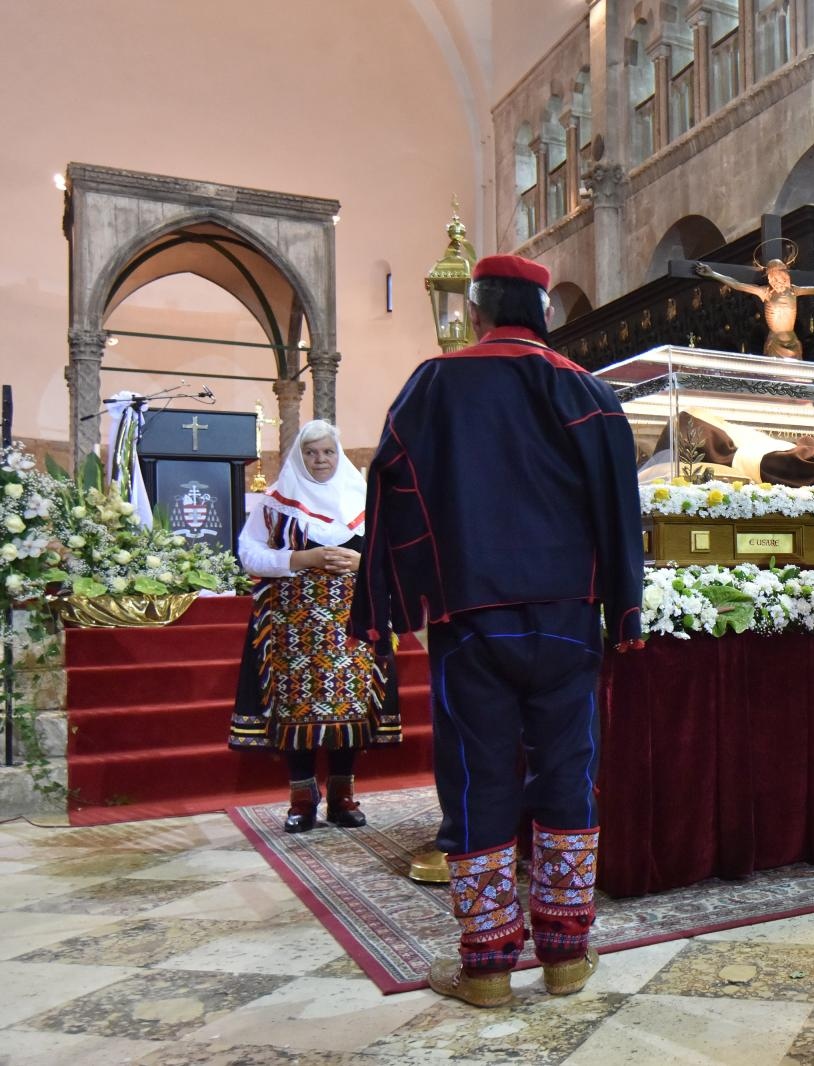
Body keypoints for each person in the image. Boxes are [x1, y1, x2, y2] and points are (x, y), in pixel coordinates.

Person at [351, 253, 644, 1008]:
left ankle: (485, 970)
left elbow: (394, 488)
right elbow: (621, 509)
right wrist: (626, 607)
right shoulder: (589, 391)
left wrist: (395, 605)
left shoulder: (435, 384)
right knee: (568, 776)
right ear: (543, 312)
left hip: (470, 617)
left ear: (476, 311)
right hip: (570, 617)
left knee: (479, 782)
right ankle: (568, 958)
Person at [230, 420, 401, 832]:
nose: (319, 460)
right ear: (299, 456)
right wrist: (299, 560)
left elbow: (394, 556)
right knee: (296, 710)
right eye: (311, 452)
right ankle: (302, 797)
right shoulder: (275, 502)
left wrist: (362, 563)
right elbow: (248, 555)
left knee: (350, 708)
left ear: (337, 454)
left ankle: (342, 795)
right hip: (293, 625)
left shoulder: (364, 499)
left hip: (353, 623)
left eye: (326, 452)